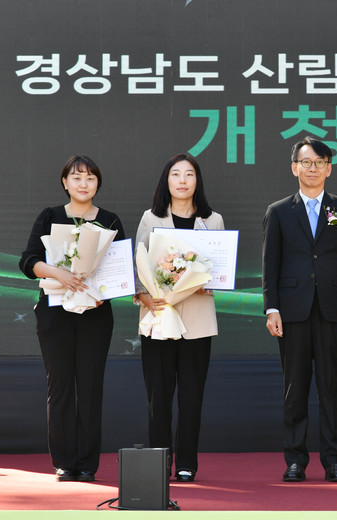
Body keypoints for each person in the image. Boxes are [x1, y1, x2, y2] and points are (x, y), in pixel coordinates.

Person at [262, 136, 337, 483]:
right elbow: (270, 264)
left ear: (329, 169)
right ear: (295, 168)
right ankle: (295, 460)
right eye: (306, 162)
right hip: (292, 311)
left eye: (320, 163)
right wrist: (271, 308)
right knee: (295, 388)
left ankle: (334, 461)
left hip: (333, 309)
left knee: (331, 387)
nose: (313, 168)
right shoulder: (278, 211)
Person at [19, 155, 126, 482]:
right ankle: (65, 462)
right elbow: (28, 261)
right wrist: (58, 273)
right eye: (77, 178)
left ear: (98, 183)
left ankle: (88, 463)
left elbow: (120, 267)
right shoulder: (49, 216)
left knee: (91, 386)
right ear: (65, 182)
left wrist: (105, 292)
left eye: (90, 178)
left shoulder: (109, 220)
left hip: (95, 314)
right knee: (61, 385)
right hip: (55, 312)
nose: (84, 184)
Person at [133, 153, 224, 483]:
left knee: (191, 396)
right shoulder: (150, 218)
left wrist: (211, 281)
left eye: (189, 174)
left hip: (197, 321)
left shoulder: (213, 220)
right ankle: (159, 461)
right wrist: (143, 295)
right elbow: (138, 264)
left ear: (197, 181)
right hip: (158, 316)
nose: (182, 180)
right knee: (158, 397)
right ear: (166, 180)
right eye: (175, 174)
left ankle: (186, 463)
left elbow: (220, 268)